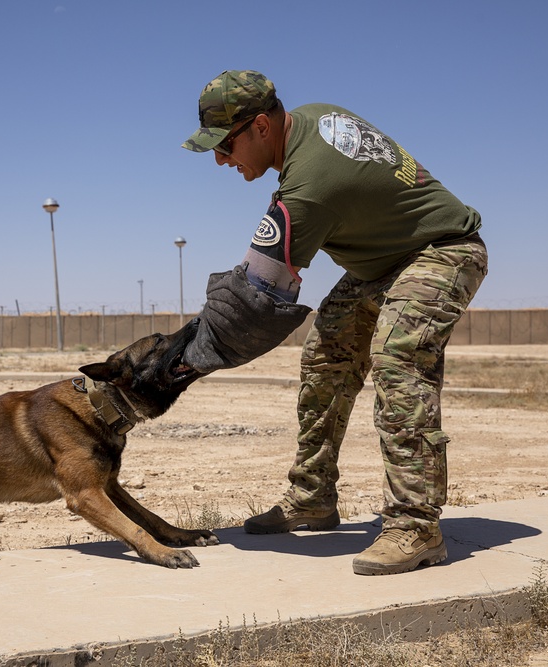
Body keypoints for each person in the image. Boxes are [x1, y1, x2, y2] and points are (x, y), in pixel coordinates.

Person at [179, 70, 488, 576]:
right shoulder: (311, 117)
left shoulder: (307, 188)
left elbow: (250, 302)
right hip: (381, 264)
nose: (219, 160)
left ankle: (415, 526)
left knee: (399, 358)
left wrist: (181, 358)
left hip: (442, 252)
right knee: (326, 357)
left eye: (224, 145)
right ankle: (312, 497)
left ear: (260, 126)